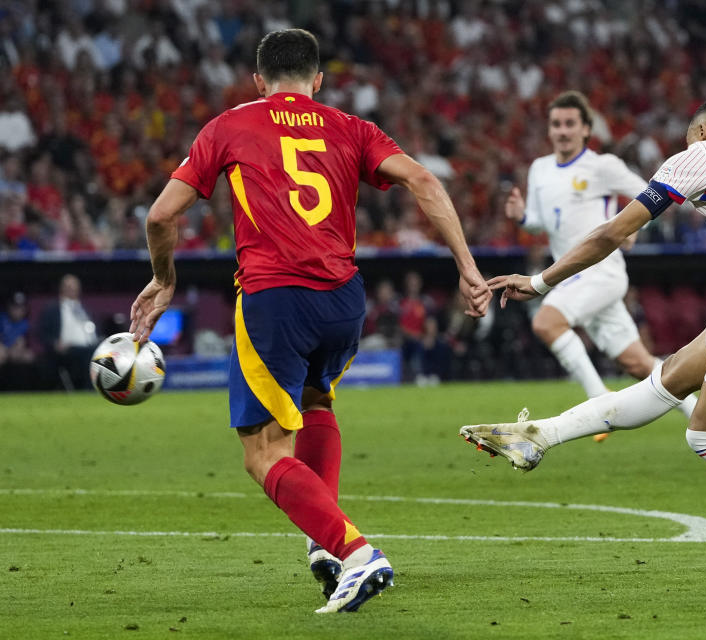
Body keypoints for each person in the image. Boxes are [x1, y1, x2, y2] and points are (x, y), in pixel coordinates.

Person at [128, 29, 490, 614]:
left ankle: (356, 553)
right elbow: (424, 180)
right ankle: (324, 542)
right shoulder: (353, 127)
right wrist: (468, 268)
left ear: (258, 81)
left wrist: (165, 279)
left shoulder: (229, 125)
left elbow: (160, 215)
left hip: (276, 299)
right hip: (343, 301)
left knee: (263, 453)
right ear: (318, 80)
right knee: (317, 403)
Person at [462, 98, 706, 584]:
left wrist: (540, 281)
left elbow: (614, 231)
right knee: (668, 378)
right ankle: (540, 437)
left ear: (702, 131)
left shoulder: (700, 155)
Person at [505, 90, 696, 426]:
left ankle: (598, 400)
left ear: (586, 129)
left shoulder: (601, 166)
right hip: (571, 276)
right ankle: (698, 412)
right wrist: (523, 217)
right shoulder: (540, 169)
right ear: (549, 130)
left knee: (546, 322)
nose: (562, 131)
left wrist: (630, 225)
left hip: (601, 272)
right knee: (637, 363)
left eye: (569, 124)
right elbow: (541, 221)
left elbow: (653, 192)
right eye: (556, 124)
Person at [40, 274, 99, 390]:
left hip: (90, 347)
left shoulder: (85, 309)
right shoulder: (53, 309)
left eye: (74, 287)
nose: (71, 289)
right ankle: (89, 390)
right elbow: (42, 333)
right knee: (89, 354)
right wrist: (55, 343)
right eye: (68, 286)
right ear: (61, 288)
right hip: (67, 349)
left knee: (100, 351)